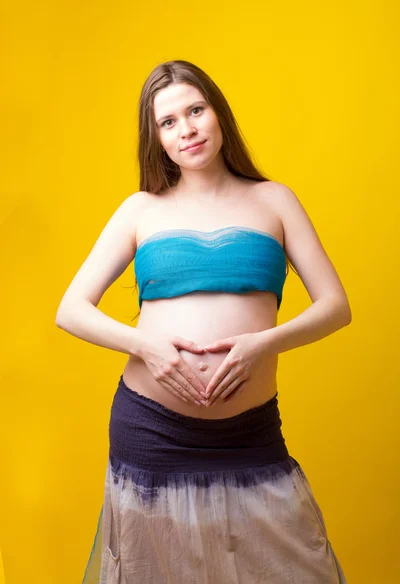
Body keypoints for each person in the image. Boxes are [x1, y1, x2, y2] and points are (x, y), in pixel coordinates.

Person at [56, 60, 351, 583]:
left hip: (249, 431)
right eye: (168, 122)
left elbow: (335, 305)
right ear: (157, 140)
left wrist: (264, 343)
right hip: (151, 429)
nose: (186, 129)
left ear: (219, 114)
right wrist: (147, 347)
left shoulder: (274, 200)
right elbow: (71, 310)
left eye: (196, 110)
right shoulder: (140, 210)